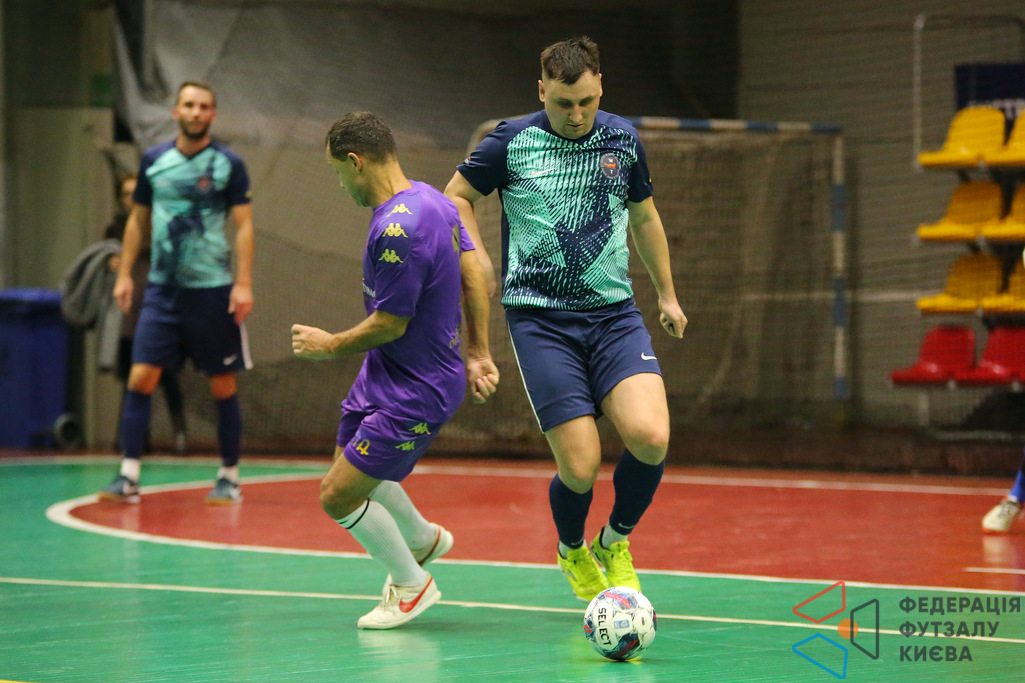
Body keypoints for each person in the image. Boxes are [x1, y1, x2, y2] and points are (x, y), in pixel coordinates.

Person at [444, 36, 687, 602]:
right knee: (580, 468)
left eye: (586, 102)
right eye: (563, 104)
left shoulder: (622, 139)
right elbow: (454, 196)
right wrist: (475, 255)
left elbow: (644, 218)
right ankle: (573, 549)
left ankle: (614, 541)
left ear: (600, 87)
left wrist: (668, 296)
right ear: (541, 91)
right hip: (541, 323)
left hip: (614, 316)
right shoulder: (509, 141)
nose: (576, 116)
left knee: (651, 437)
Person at [291, 112, 498, 629]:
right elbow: (476, 274)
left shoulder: (396, 231)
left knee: (337, 495)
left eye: (338, 172)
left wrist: (328, 345)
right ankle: (422, 539)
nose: (341, 184)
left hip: (417, 388)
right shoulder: (434, 199)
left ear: (356, 161)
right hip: (386, 373)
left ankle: (412, 585)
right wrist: (478, 352)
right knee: (348, 466)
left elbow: (390, 323)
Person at [98, 81, 255, 505]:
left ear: (213, 114)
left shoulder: (228, 164)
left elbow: (244, 225)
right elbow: (137, 220)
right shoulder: (154, 161)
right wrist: (125, 274)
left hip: (212, 292)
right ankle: (129, 475)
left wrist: (243, 283)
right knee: (140, 376)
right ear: (176, 111)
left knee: (222, 383)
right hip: (162, 292)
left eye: (204, 106)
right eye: (189, 104)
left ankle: (229, 476)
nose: (196, 112)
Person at [105, 173, 189, 455]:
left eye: (136, 192)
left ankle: (180, 434)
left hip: (161, 308)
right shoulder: (115, 229)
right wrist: (112, 263)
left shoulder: (163, 223)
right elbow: (106, 257)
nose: (131, 198)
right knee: (133, 378)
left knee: (168, 377)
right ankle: (134, 438)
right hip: (129, 314)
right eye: (126, 193)